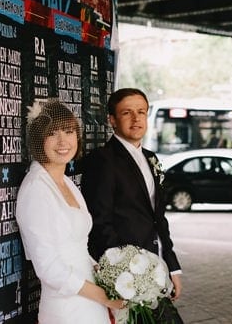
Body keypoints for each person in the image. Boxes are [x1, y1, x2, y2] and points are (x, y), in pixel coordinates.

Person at [15, 98, 126, 323]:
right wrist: (103, 297)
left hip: (90, 298)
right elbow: (48, 268)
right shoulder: (36, 187)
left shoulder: (66, 182)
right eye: (52, 133)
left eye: (69, 131)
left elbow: (78, 248)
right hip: (66, 307)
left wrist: (113, 280)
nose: (63, 141)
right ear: (39, 139)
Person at [80, 88, 184, 314]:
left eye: (141, 112)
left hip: (157, 270)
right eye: (127, 113)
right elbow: (99, 222)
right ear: (112, 120)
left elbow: (159, 219)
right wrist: (122, 271)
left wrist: (173, 267)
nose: (136, 119)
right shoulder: (102, 160)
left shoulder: (151, 158)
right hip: (127, 278)